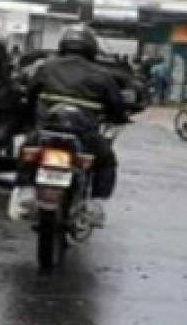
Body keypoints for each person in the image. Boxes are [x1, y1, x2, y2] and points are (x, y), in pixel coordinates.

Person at [11, 25, 128, 225]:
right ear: (92, 49)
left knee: (27, 150)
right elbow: (117, 107)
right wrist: (119, 116)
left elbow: (30, 97)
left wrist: (28, 118)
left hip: (47, 130)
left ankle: (27, 190)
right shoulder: (102, 75)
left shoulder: (46, 68)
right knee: (107, 161)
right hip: (84, 135)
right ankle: (96, 204)